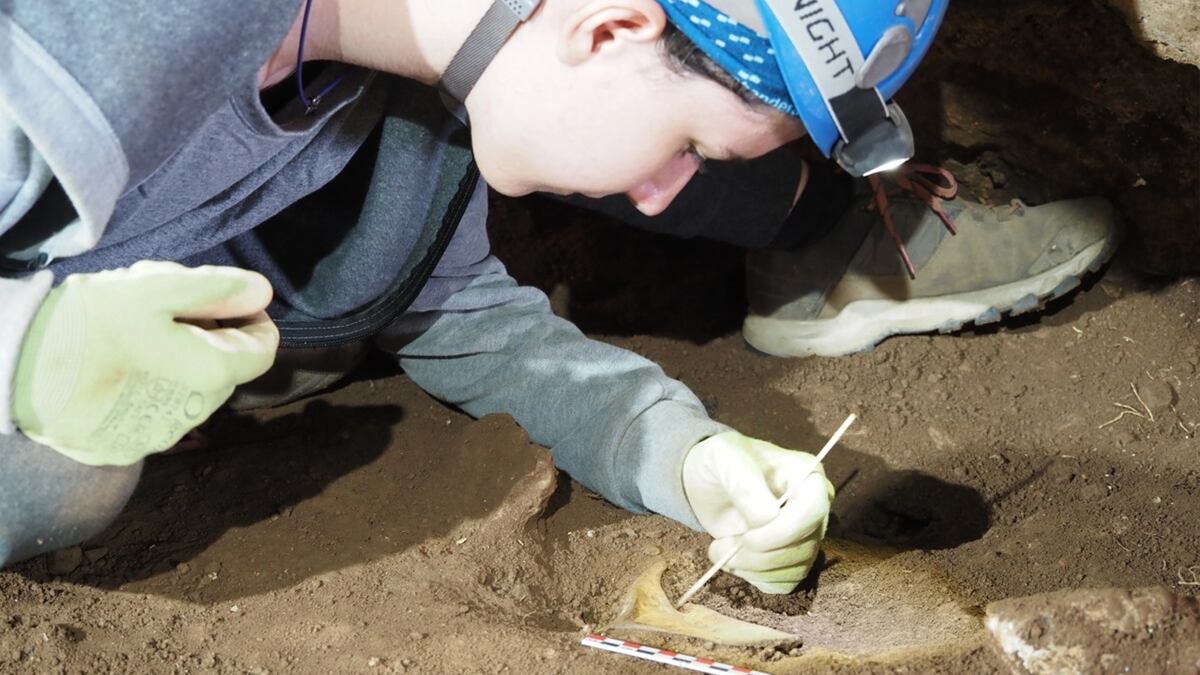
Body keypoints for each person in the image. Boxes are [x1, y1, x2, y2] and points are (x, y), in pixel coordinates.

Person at [0, 0, 1113, 597]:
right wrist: (22, 353)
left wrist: (682, 455)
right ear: (612, 27)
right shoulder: (110, 29)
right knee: (70, 478)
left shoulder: (408, 114)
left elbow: (463, 322)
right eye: (689, 144)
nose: (664, 191)